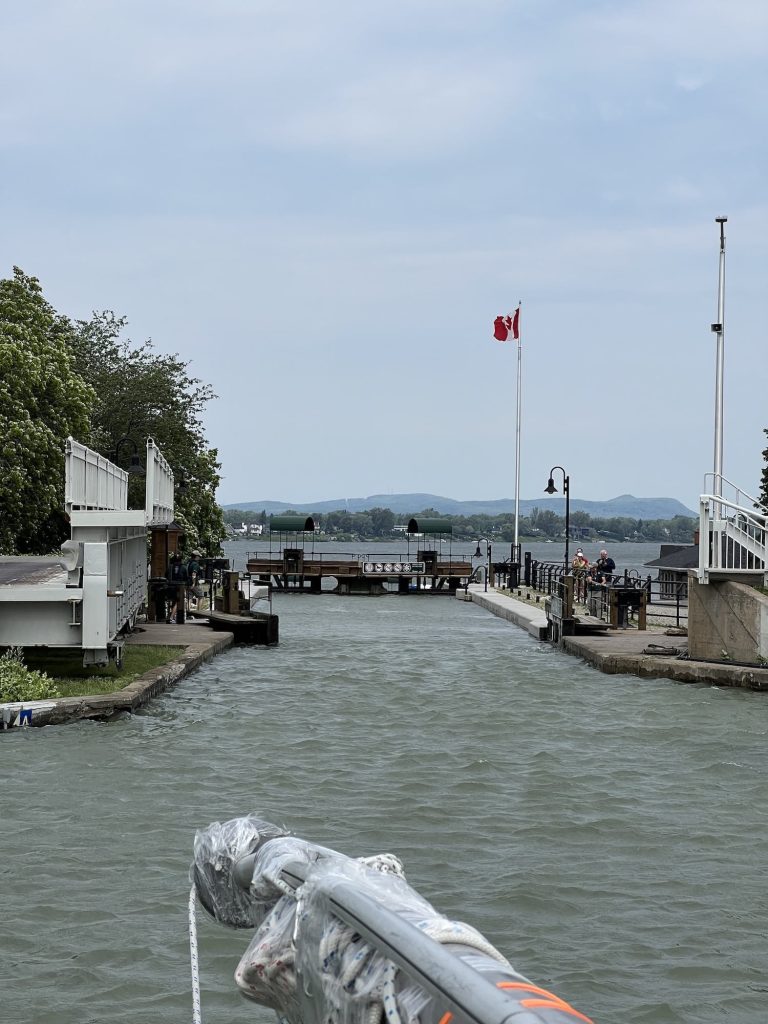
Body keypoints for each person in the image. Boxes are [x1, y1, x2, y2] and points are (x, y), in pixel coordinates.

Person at [166, 553, 188, 623]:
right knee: (178, 602)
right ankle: (171, 617)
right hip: (179, 587)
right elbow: (186, 578)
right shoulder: (184, 568)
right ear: (181, 560)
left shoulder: (170, 567)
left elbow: (166, 575)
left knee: (173, 601)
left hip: (170, 587)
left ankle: (171, 616)